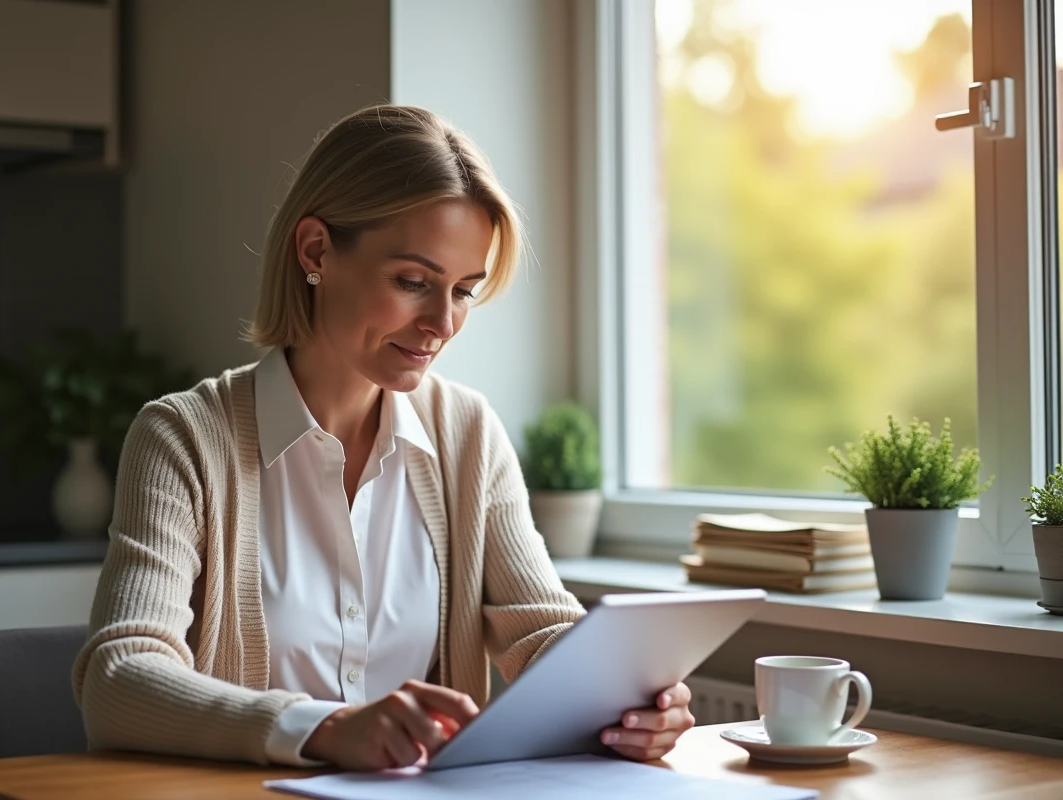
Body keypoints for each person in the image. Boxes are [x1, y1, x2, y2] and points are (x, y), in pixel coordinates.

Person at [71, 104, 695, 770]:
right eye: (412, 283)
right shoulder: (183, 440)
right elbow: (118, 678)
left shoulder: (468, 435)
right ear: (315, 251)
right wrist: (327, 728)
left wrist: (630, 701)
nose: (442, 323)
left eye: (463, 291)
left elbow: (539, 625)